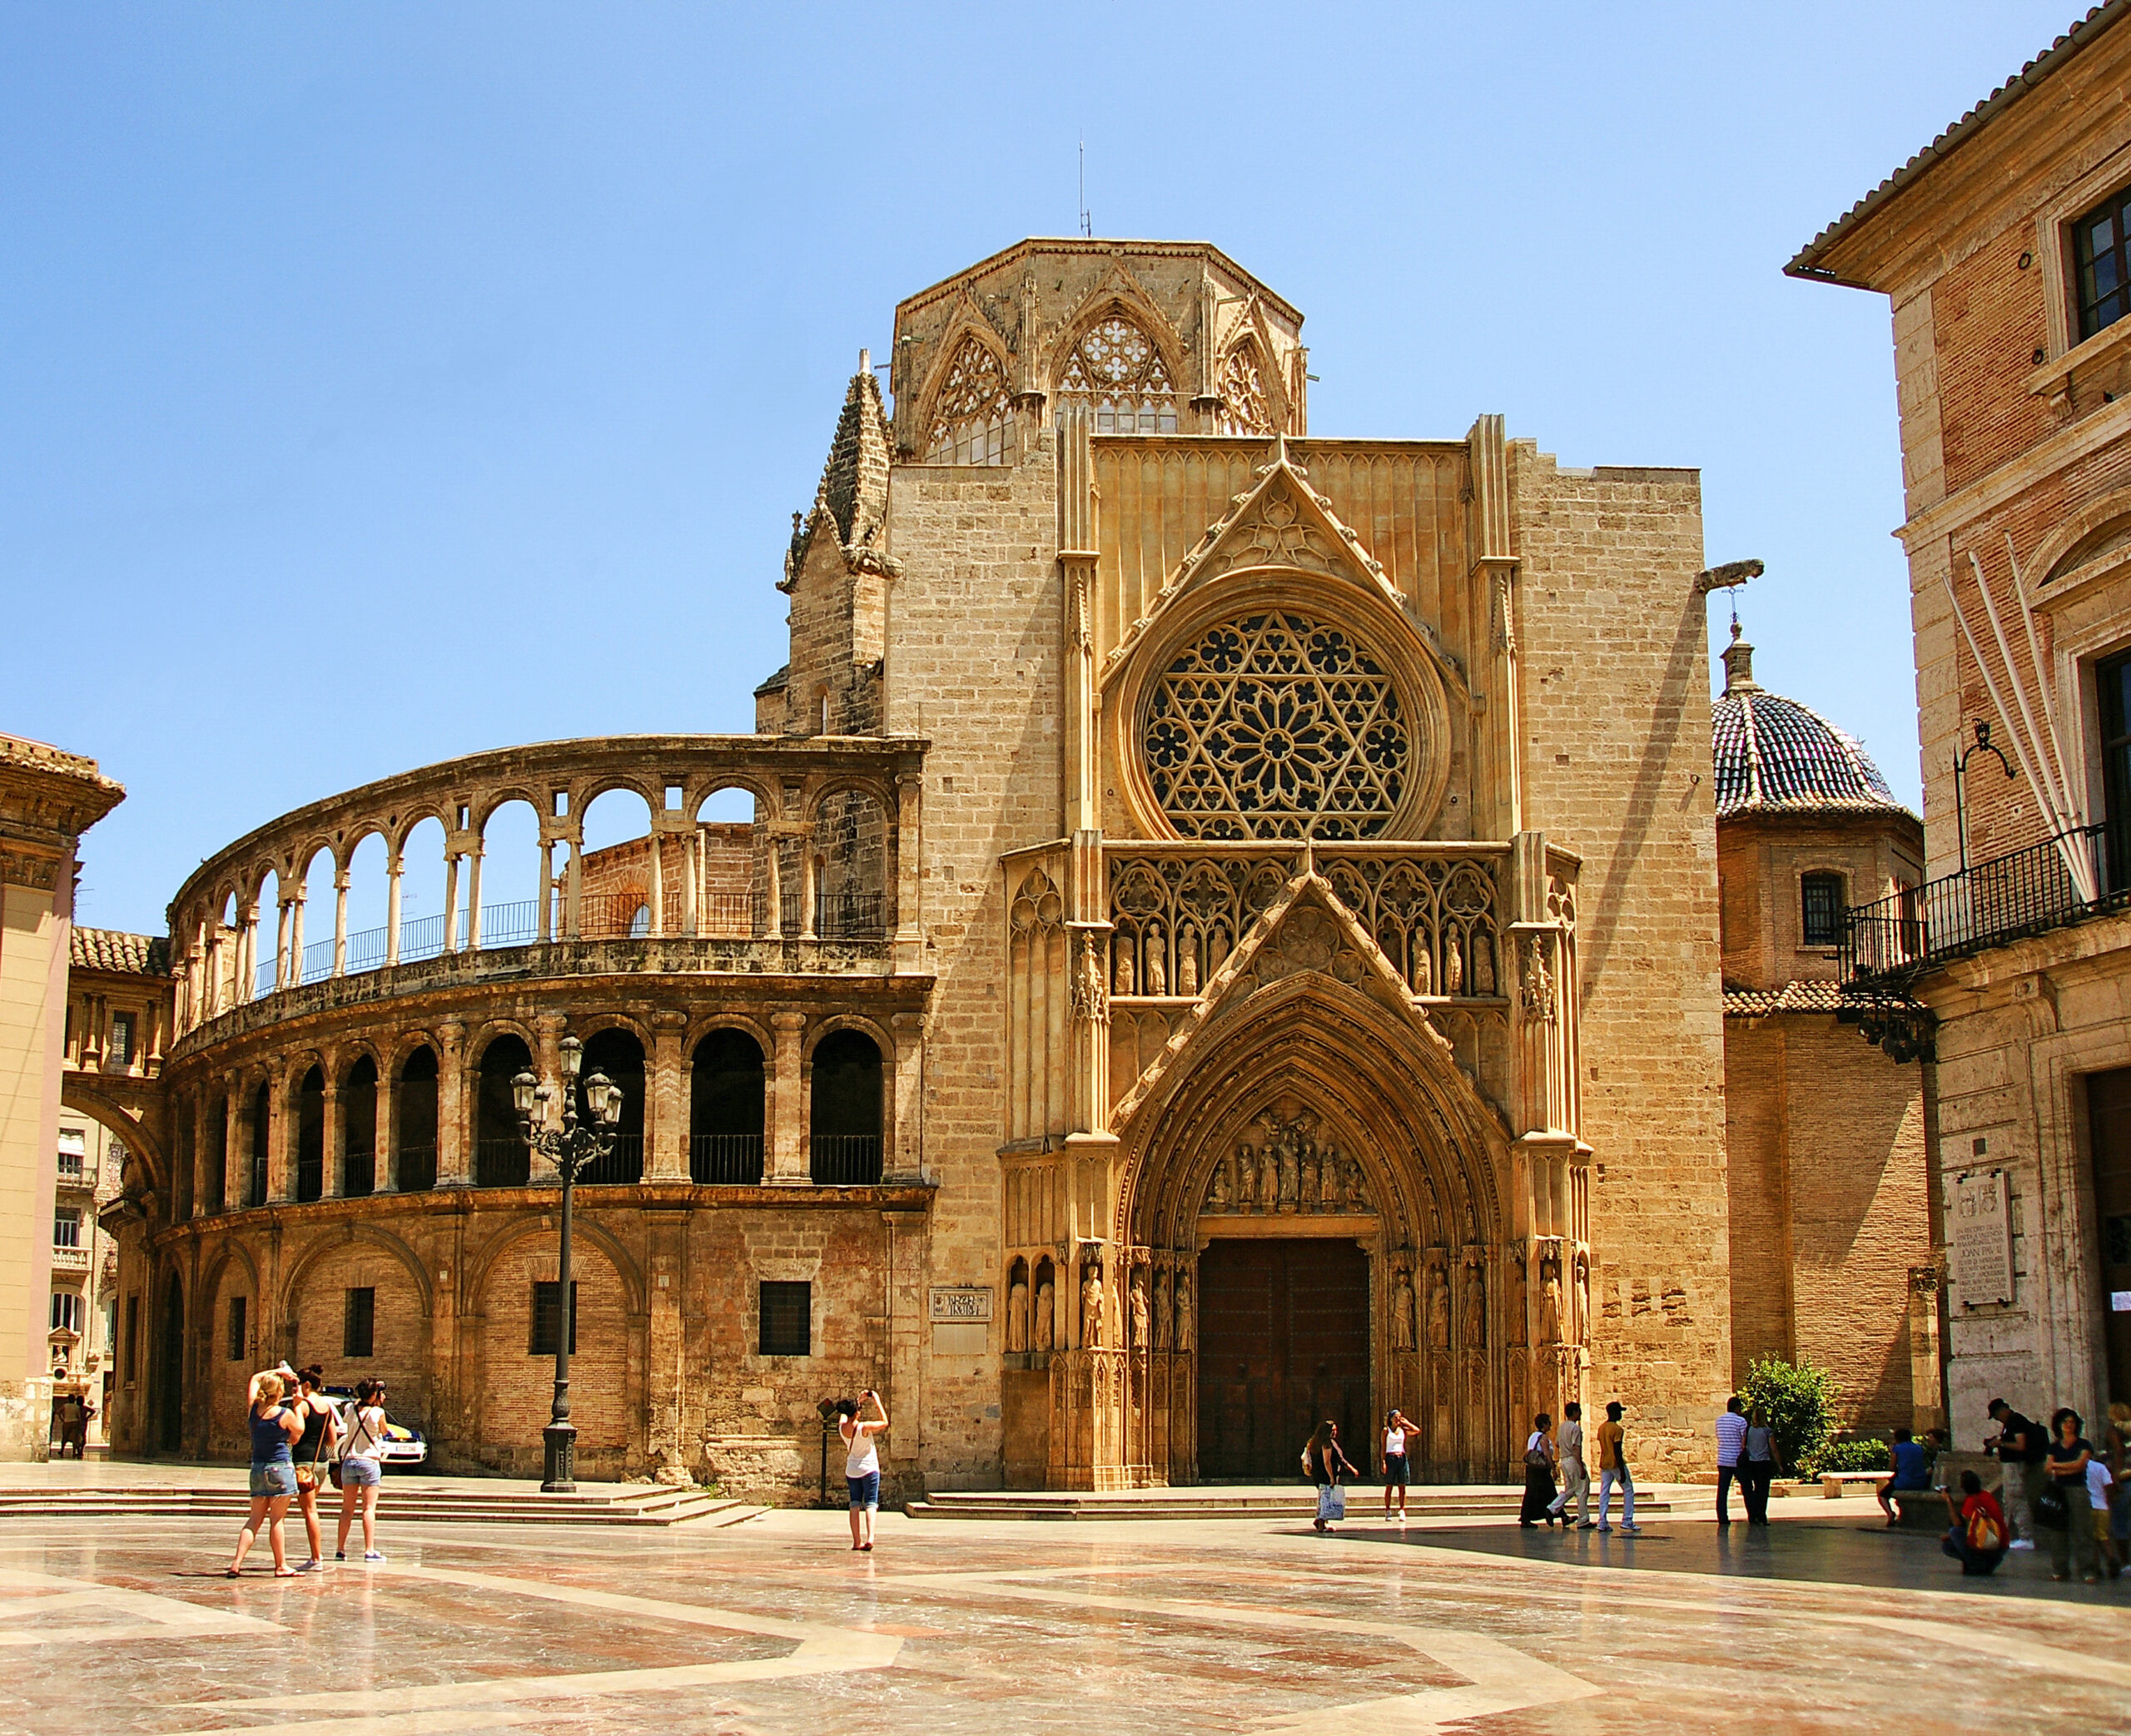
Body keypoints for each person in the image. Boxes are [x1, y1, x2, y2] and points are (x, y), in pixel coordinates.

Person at [227, 1371, 303, 1577]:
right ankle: (281, 1565)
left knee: (254, 1519)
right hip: (280, 1467)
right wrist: (297, 1405)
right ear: (279, 1392)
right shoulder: (284, 1414)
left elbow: (253, 1379)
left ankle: (236, 1563)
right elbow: (297, 1435)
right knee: (277, 1520)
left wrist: (278, 1372)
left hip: (258, 1467)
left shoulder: (253, 1410)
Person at [285, 1366, 338, 1573]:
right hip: (321, 1463)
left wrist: (296, 1406)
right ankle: (315, 1556)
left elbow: (295, 1435)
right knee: (311, 1508)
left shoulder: (304, 1406)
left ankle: (316, 1558)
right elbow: (332, 1440)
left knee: (309, 1511)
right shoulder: (326, 1406)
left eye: (297, 1384)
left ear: (306, 1385)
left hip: (303, 1464)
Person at [334, 1377, 390, 1565]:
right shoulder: (378, 1413)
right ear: (374, 1395)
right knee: (368, 1508)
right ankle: (369, 1550)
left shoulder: (350, 1409)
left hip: (350, 1461)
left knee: (347, 1509)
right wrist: (378, 1406)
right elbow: (384, 1432)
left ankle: (340, 1549)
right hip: (369, 1461)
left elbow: (347, 1418)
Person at [2043, 1407, 2099, 1584]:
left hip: (2077, 1489)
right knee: (2057, 1532)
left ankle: (2088, 1569)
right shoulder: (2053, 1446)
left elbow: (2080, 1465)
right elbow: (2047, 1468)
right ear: (2058, 1425)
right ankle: (2060, 1569)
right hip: (2058, 1491)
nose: (2069, 1425)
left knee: (2083, 1530)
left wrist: (2058, 1466)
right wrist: (2067, 1466)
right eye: (2065, 1422)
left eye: (2072, 1422)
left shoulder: (2084, 1445)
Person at [1985, 1398, 2048, 1550]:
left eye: (1996, 1416)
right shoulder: (2011, 1423)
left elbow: (2021, 1445)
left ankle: (2026, 1537)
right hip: (2011, 1466)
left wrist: (2001, 1444)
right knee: (2010, 1500)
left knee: (2018, 1500)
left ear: (2002, 1411)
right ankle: (2007, 1533)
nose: (1998, 1419)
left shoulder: (2016, 1421)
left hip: (2015, 1467)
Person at [839, 1388, 887, 1552]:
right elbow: (884, 1422)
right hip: (869, 1468)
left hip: (852, 1470)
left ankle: (856, 1541)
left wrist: (857, 1401)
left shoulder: (841, 1428)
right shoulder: (864, 1428)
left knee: (854, 1504)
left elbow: (846, 1415)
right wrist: (877, 1401)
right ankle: (870, 1538)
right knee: (871, 1503)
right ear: (857, 1413)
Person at [1940, 1470, 2008, 1575]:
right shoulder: (1986, 1496)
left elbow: (1958, 1524)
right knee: (1950, 1540)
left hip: (1990, 1543)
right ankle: (1985, 1563)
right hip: (2000, 1543)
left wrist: (1948, 1501)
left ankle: (1977, 1563)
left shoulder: (1972, 1501)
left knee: (1953, 1534)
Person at [1304, 1420, 1359, 1534]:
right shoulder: (1326, 1443)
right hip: (1325, 1474)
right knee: (1326, 1498)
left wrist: (1351, 1468)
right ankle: (1321, 1524)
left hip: (1317, 1474)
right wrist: (1332, 1478)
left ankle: (1320, 1520)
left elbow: (1340, 1458)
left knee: (1323, 1497)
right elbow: (1327, 1462)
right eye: (1333, 1430)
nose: (1335, 1432)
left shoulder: (1314, 1442)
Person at [1594, 1401, 1639, 1533]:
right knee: (1628, 1489)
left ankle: (1602, 1521)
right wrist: (1621, 1469)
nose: (1621, 1414)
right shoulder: (1617, 1429)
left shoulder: (1602, 1428)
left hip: (1604, 1462)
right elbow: (1617, 1449)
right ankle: (1627, 1520)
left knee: (1604, 1491)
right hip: (1615, 1463)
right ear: (1614, 1413)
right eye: (1619, 1412)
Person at [1876, 1426, 1931, 1526]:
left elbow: (1891, 1467)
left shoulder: (1897, 1449)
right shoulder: (1919, 1448)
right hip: (1921, 1481)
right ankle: (1902, 1515)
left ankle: (1890, 1513)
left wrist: (1891, 1452)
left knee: (1883, 1495)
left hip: (1905, 1482)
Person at [1741, 1403, 1783, 1526]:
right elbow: (1773, 1449)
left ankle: (1753, 1515)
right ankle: (1762, 1516)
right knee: (1763, 1490)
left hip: (1752, 1463)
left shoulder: (1748, 1430)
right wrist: (1779, 1465)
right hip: (1764, 1463)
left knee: (1754, 1490)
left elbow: (1743, 1446)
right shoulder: (1767, 1431)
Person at [1547, 1402, 1589, 1528]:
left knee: (1570, 1489)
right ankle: (1583, 1520)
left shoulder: (1562, 1427)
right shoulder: (1575, 1428)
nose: (1580, 1413)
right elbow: (1576, 1447)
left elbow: (1558, 1443)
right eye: (1579, 1411)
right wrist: (1581, 1466)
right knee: (1582, 1489)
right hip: (1573, 1460)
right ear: (1575, 1412)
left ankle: (1552, 1508)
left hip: (1564, 1460)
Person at [2083, 1451, 2119, 1581]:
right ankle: (2112, 1560)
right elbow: (2109, 1485)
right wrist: (2108, 1502)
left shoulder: (2079, 1468)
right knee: (2103, 1536)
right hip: (2103, 1507)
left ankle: (2096, 1568)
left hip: (2089, 1506)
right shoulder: (2100, 1467)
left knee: (2091, 1539)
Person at [2104, 1402, 2131, 1575]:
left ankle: (2126, 1562)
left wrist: (2115, 1478)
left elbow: (2118, 1452)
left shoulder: (2114, 1431)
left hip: (2124, 1480)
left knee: (2120, 1522)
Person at [1519, 1413, 1558, 1528]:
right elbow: (1546, 1454)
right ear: (1544, 1424)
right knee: (1550, 1492)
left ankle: (1526, 1518)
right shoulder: (1543, 1438)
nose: (1551, 1426)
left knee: (1533, 1493)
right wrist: (1554, 1469)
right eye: (1549, 1423)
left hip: (1531, 1469)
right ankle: (1560, 1515)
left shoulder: (1533, 1436)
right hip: (1540, 1470)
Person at [1713, 1396, 1747, 1525]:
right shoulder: (1741, 1422)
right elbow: (1743, 1441)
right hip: (1737, 1460)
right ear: (1737, 1408)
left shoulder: (1719, 1421)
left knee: (1722, 1490)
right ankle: (1753, 1514)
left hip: (1723, 1459)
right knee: (1747, 1488)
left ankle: (1722, 1517)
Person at [1380, 1409, 1413, 1521]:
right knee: (1389, 1485)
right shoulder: (1386, 1431)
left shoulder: (1403, 1430)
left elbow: (1416, 1431)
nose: (1398, 1419)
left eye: (1400, 1417)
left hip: (1402, 1458)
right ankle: (1388, 1510)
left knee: (1402, 1485)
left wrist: (1407, 1423)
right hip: (1390, 1458)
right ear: (1391, 1419)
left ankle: (1402, 1510)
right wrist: (1383, 1461)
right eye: (1396, 1417)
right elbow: (1383, 1446)